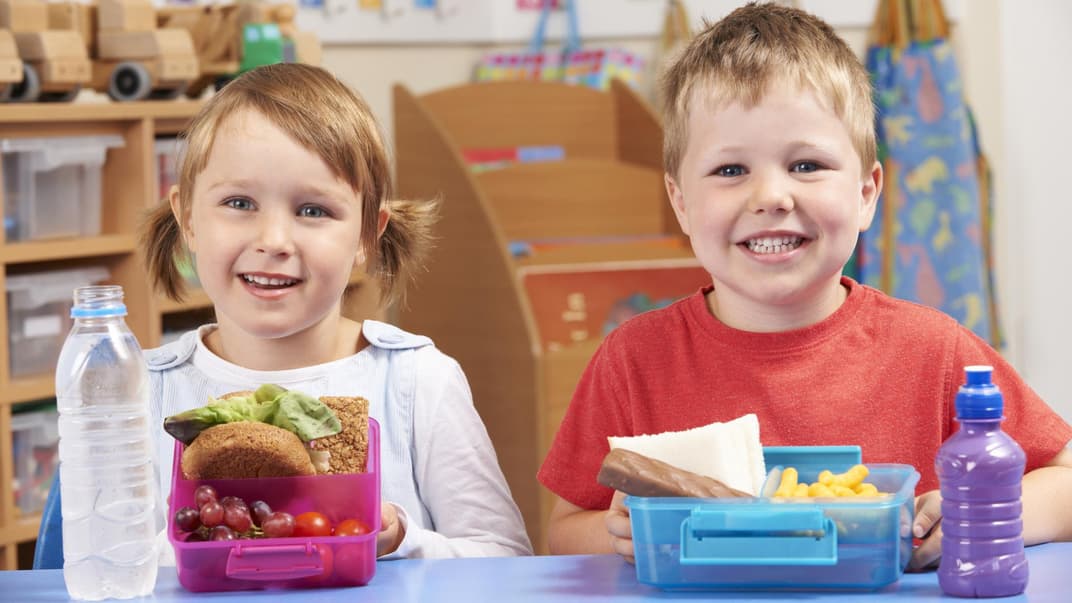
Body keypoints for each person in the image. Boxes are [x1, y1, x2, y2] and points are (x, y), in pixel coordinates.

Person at [537, 2, 1072, 570]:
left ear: (866, 194)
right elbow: (565, 531)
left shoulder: (936, 352)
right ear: (681, 201)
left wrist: (980, 512)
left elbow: (1064, 484)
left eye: (806, 165)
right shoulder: (632, 361)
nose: (771, 196)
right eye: (730, 170)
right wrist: (624, 533)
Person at [142, 63, 532, 560]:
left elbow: (504, 558)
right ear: (188, 219)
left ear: (368, 234)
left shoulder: (418, 381)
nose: (273, 240)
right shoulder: (139, 392)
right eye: (239, 203)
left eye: (313, 211)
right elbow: (98, 571)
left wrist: (403, 541)